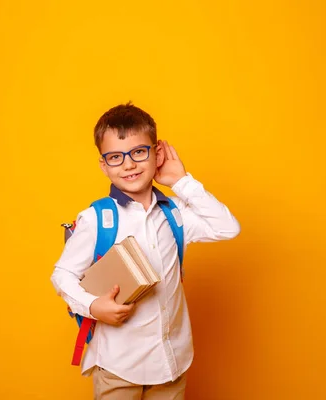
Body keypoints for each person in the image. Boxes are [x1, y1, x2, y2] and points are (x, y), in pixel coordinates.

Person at [51, 102, 240, 399]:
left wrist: (181, 181)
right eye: (115, 157)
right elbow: (62, 275)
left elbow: (227, 227)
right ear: (103, 165)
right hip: (118, 366)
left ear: (157, 153)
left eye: (139, 152)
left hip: (172, 360)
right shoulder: (97, 219)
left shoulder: (175, 213)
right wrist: (92, 307)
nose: (129, 164)